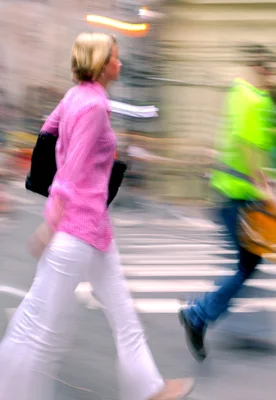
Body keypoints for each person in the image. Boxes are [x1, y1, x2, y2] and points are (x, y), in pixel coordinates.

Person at [0, 32, 194, 400]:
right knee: (35, 328)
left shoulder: (76, 97)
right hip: (75, 230)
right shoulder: (92, 107)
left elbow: (47, 133)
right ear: (102, 64)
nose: (121, 63)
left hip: (94, 231)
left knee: (123, 317)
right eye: (116, 58)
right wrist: (51, 219)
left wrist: (90, 166)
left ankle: (150, 389)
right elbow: (71, 170)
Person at [178, 44, 276, 362]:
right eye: (275, 72)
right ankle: (198, 314)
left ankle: (200, 315)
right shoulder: (254, 100)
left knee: (247, 264)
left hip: (230, 194)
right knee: (248, 264)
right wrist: (265, 189)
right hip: (242, 198)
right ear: (264, 71)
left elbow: (235, 142)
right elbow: (248, 145)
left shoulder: (239, 96)